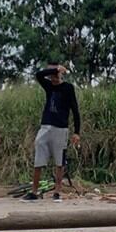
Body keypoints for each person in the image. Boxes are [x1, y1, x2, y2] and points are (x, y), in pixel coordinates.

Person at [22, 62, 80, 203]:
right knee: (39, 154)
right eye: (51, 74)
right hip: (46, 126)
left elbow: (75, 110)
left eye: (55, 74)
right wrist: (54, 69)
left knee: (59, 161)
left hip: (61, 128)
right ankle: (34, 191)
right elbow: (38, 75)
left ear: (61, 75)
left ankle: (57, 191)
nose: (53, 77)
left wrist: (77, 132)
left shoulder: (68, 88)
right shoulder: (48, 85)